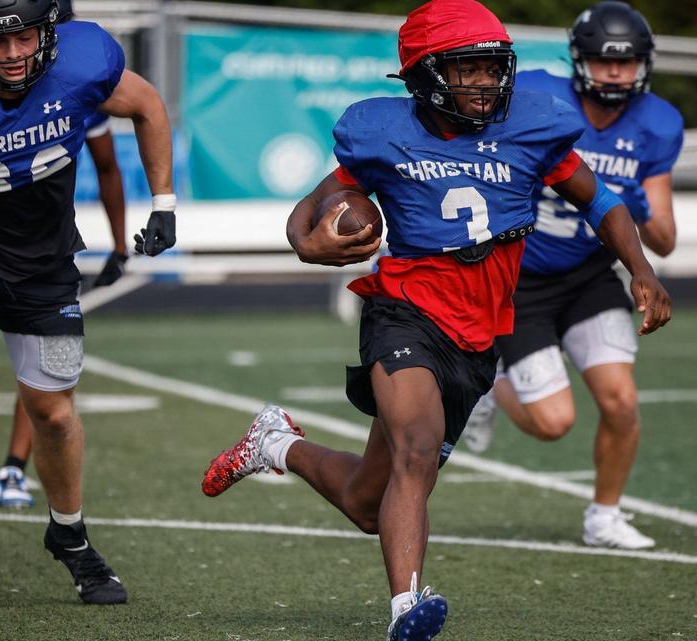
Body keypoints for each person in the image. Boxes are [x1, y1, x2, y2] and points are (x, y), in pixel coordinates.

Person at [201, 1, 670, 638]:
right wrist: (309, 244)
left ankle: (275, 442)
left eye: (491, 69)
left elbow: (602, 201)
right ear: (424, 77)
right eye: (466, 71)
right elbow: (310, 207)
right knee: (415, 453)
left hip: (479, 332)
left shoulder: (531, 127)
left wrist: (639, 268)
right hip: (404, 311)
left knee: (372, 502)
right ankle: (407, 607)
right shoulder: (383, 133)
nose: (484, 84)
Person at [0, 0, 177, 604]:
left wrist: (165, 201)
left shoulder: (83, 63)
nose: (14, 55)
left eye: (24, 37)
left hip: (45, 267)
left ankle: (70, 537)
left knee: (53, 413)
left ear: (48, 32)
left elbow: (148, 105)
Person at [459, 0, 679, 551]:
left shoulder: (657, 123)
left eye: (626, 63)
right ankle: (487, 385)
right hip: (520, 276)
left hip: (588, 274)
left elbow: (665, 237)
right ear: (578, 62)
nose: (615, 73)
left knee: (621, 400)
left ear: (643, 66)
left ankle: (604, 516)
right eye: (604, 62)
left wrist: (629, 203)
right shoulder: (536, 95)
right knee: (552, 423)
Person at [0, 0, 130, 509]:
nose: (16, 52)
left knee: (43, 374)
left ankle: (12, 467)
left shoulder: (75, 84)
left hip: (38, 253)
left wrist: (123, 238)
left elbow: (112, 161)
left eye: (29, 36)